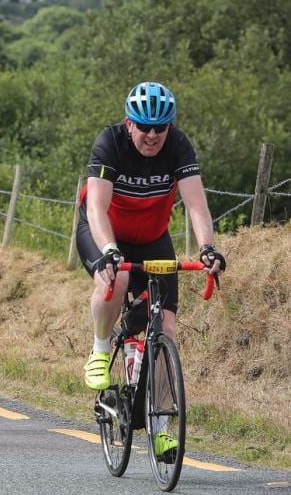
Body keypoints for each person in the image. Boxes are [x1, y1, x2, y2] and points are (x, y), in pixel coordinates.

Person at [76, 81, 226, 456]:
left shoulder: (178, 145)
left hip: (153, 238)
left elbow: (195, 204)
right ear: (130, 124)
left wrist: (207, 248)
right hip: (104, 231)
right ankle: (99, 347)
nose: (153, 135)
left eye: (161, 127)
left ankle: (160, 426)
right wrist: (109, 249)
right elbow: (96, 207)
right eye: (145, 127)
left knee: (167, 330)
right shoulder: (109, 143)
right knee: (118, 275)